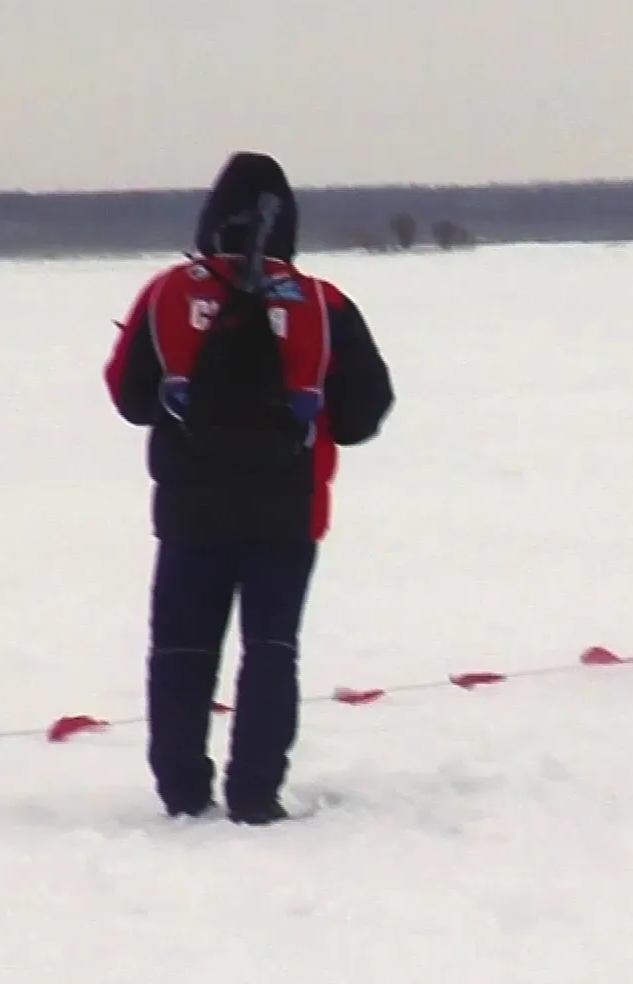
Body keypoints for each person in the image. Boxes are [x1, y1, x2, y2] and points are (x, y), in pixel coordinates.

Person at [103, 151, 395, 824]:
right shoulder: (324, 304)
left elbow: (129, 396)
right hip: (289, 511)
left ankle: (181, 793)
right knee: (272, 649)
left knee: (180, 647)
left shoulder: (169, 293)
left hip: (189, 508)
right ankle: (255, 793)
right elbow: (361, 414)